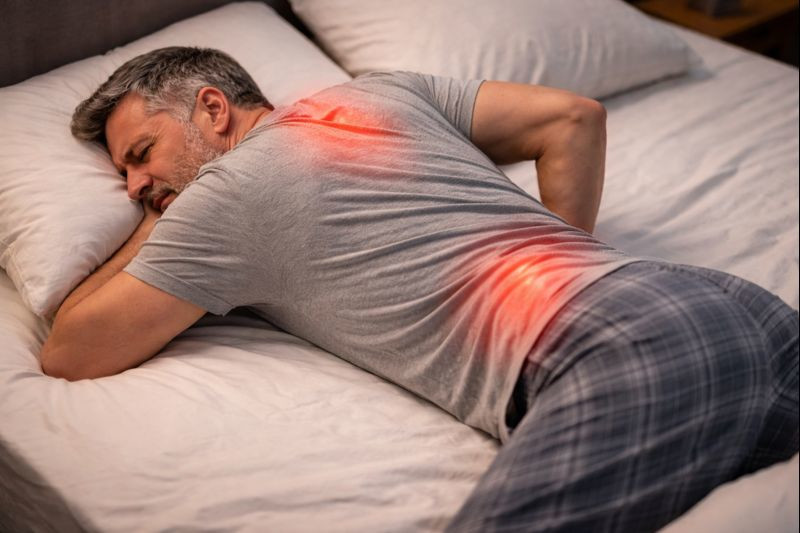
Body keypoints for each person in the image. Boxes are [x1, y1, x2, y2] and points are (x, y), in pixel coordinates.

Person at [41, 47, 798, 532]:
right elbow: (573, 116)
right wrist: (568, 257)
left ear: (213, 107)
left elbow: (70, 351)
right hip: (702, 299)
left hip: (625, 343)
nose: (138, 186)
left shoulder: (228, 195)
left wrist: (162, 210)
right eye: (127, 180)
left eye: (142, 155)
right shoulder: (379, 93)